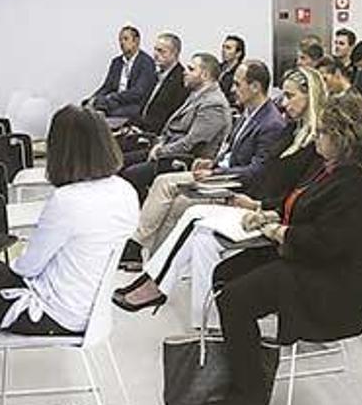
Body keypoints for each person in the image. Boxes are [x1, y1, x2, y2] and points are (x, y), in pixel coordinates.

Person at [0, 105, 137, 405]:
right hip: (92, 308)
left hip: (55, 315)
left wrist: (16, 253)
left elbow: (28, 268)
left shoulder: (67, 200)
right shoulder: (125, 190)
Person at [215, 93, 362, 405]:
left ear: (344, 137)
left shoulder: (360, 186)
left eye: (323, 131)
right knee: (225, 273)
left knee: (234, 299)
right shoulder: (330, 168)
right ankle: (244, 364)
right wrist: (269, 214)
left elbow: (325, 242)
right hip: (314, 261)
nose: (316, 137)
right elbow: (301, 205)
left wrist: (278, 231)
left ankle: (248, 393)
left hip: (338, 284)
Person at [113, 67, 325, 327]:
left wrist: (258, 205)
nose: (283, 101)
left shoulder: (313, 143)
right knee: (200, 233)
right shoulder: (290, 130)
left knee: (194, 220)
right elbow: (270, 173)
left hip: (268, 212)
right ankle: (202, 323)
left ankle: (156, 285)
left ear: (309, 97)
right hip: (258, 202)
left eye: (291, 96)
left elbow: (293, 191)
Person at [118, 60, 286, 271]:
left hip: (232, 181)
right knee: (164, 186)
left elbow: (257, 170)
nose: (233, 89)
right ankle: (150, 256)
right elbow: (230, 150)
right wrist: (213, 162)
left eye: (237, 84)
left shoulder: (271, 123)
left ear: (255, 87)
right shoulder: (249, 112)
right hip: (221, 171)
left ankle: (151, 258)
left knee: (176, 199)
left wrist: (217, 171)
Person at [119, 53, 231, 201]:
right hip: (169, 150)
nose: (185, 72)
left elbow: (192, 143)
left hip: (185, 160)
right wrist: (159, 144)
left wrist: (161, 151)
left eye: (191, 69)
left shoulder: (213, 104)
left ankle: (139, 213)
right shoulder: (197, 94)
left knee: (130, 174)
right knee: (119, 161)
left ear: (204, 75)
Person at [86, 25, 158, 118]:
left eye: (125, 39)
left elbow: (138, 92)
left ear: (136, 41)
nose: (122, 43)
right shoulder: (116, 62)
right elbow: (107, 87)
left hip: (132, 104)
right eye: (120, 39)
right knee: (87, 107)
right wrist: (93, 98)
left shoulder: (146, 62)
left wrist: (113, 97)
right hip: (113, 102)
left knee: (107, 113)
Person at [218, 34, 246, 106]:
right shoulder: (217, 68)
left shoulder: (241, 72)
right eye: (223, 47)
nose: (223, 51)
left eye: (228, 48)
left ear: (238, 53)